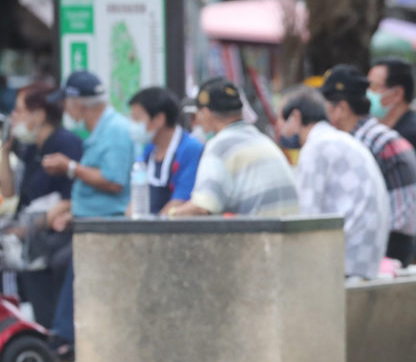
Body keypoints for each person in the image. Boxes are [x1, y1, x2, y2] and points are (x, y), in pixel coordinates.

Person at [41, 70, 135, 360]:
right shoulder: (100, 130)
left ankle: (64, 338)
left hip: (107, 227)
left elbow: (114, 180)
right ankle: (63, 335)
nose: (65, 110)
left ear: (78, 103)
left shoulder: (115, 130)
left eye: (66, 102)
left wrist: (71, 168)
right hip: (90, 223)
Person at [279, 86, 390, 280]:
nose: (280, 129)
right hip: (365, 257)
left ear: (295, 117)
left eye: (281, 120)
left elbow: (306, 218)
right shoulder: (338, 139)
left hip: (345, 260)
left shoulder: (315, 148)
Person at [320, 64, 416, 267]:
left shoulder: (361, 144)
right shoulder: (377, 134)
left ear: (341, 109)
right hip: (404, 242)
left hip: (386, 247)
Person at [0, 82, 83, 328]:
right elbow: (8, 191)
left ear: (39, 113)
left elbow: (72, 198)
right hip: (31, 228)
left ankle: (41, 328)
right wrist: (4, 150)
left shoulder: (66, 143)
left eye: (20, 111)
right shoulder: (29, 148)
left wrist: (33, 225)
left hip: (56, 230)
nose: (14, 118)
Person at [169, 77, 299, 218]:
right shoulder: (261, 139)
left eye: (197, 115)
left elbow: (202, 207)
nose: (196, 123)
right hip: (286, 233)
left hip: (262, 235)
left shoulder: (220, 146)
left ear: (206, 113)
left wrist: (170, 215)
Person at [367, 57, 416, 261]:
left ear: (397, 94)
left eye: (374, 87)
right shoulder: (393, 131)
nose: (367, 95)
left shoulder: (410, 135)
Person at [128, 86, 204, 215]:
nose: (132, 125)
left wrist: (153, 229)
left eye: (137, 118)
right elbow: (135, 198)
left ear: (159, 119)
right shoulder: (149, 150)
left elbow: (180, 200)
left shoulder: (190, 149)